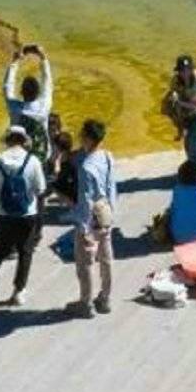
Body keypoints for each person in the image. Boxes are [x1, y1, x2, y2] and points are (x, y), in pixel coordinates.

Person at [0, 125, 49, 306]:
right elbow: (41, 189)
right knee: (25, 253)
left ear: (7, 140)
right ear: (24, 141)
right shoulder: (33, 161)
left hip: (5, 215)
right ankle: (18, 291)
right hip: (27, 215)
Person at [68, 120, 118, 318]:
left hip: (91, 217)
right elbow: (112, 186)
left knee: (85, 262)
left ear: (87, 138)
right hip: (106, 211)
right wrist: (112, 211)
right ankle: (105, 298)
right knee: (106, 259)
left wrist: (83, 227)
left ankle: (85, 302)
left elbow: (85, 200)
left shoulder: (85, 167)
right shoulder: (107, 157)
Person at [4, 43, 55, 174]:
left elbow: (7, 87)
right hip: (41, 156)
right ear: (38, 92)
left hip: (19, 158)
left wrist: (15, 62)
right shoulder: (44, 106)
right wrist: (43, 57)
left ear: (21, 92)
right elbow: (47, 82)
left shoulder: (15, 108)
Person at [163, 56, 196, 179]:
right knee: (192, 147)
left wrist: (179, 102)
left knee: (192, 145)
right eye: (182, 70)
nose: (184, 73)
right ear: (178, 70)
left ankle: (195, 175)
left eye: (187, 69)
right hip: (187, 115)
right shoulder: (175, 79)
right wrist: (173, 98)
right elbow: (173, 92)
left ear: (191, 69)